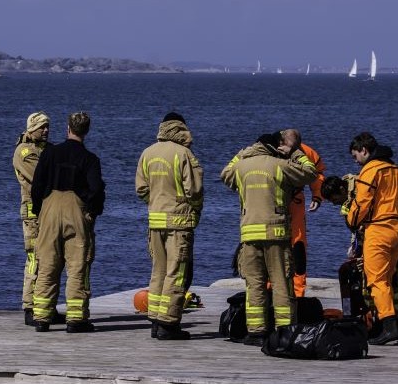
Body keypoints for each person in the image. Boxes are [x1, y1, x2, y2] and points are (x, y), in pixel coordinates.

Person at [220, 132, 317, 346]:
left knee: (254, 284)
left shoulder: (241, 167)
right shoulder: (279, 166)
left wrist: (244, 153)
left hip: (249, 235)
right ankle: (284, 331)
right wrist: (295, 152)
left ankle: (256, 332)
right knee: (282, 283)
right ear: (275, 147)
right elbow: (311, 173)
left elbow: (224, 173)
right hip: (276, 234)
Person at [30, 112, 106, 333]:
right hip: (77, 213)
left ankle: (42, 318)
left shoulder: (50, 153)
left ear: (68, 128)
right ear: (87, 130)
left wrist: (39, 210)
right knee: (77, 267)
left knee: (47, 265)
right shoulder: (89, 159)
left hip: (49, 211)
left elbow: (36, 186)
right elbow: (96, 190)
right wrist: (92, 213)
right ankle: (76, 320)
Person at [322, 174, 398, 336]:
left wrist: (364, 250)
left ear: (342, 189)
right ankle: (385, 322)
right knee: (376, 279)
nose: (335, 203)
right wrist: (357, 249)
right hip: (391, 228)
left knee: (394, 278)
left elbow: (365, 226)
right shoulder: (356, 193)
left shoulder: (360, 196)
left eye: (335, 199)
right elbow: (361, 229)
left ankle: (394, 323)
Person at [135, 112, 203, 341]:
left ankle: (155, 319)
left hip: (155, 221)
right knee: (177, 273)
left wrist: (155, 203)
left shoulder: (148, 153)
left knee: (159, 271)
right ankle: (169, 322)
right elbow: (194, 190)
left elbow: (141, 189)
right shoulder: (184, 154)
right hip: (178, 222)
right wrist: (192, 209)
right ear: (181, 129)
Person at [344, 132, 398, 345]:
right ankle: (393, 323)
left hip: (380, 228)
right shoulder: (397, 170)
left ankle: (388, 327)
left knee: (376, 280)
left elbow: (362, 202)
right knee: (388, 278)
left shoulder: (370, 170)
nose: (355, 161)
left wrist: (351, 220)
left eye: (355, 156)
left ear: (364, 150)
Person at [12, 111, 54, 326]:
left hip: (49, 211)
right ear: (31, 129)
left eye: (47, 127)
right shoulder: (25, 151)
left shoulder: (47, 149)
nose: (45, 131)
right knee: (34, 260)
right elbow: (39, 177)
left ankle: (46, 305)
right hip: (33, 213)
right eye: (41, 127)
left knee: (51, 260)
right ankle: (30, 306)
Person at [280, 129, 326, 297]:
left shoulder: (307, 152)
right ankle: (269, 290)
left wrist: (317, 196)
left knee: (298, 247)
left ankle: (298, 293)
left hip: (296, 202)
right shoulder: (270, 151)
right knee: (271, 247)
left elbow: (318, 173)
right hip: (273, 202)